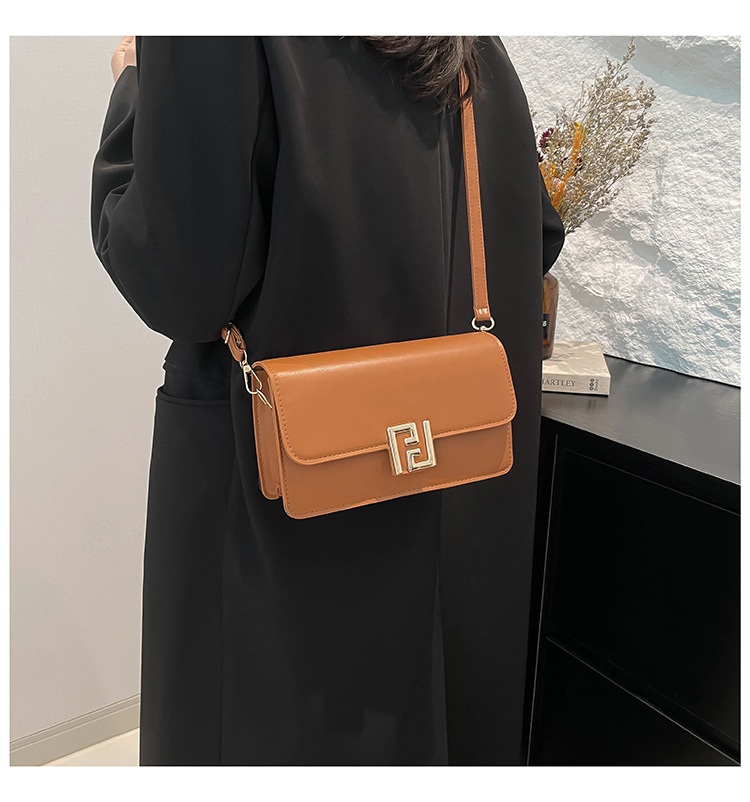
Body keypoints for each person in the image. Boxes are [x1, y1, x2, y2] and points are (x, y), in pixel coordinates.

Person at [91, 35, 564, 766]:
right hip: (453, 509)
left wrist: (131, 88)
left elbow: (175, 279)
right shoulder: (473, 50)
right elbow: (536, 234)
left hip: (272, 519)